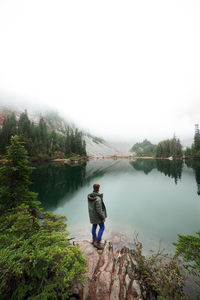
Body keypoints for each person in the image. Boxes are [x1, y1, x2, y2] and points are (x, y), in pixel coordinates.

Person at [87, 184, 107, 250]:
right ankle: (97, 242)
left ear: (93, 188)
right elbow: (99, 210)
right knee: (102, 227)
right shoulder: (98, 199)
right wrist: (103, 217)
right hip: (98, 216)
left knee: (94, 226)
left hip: (92, 215)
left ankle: (94, 239)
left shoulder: (90, 196)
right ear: (98, 189)